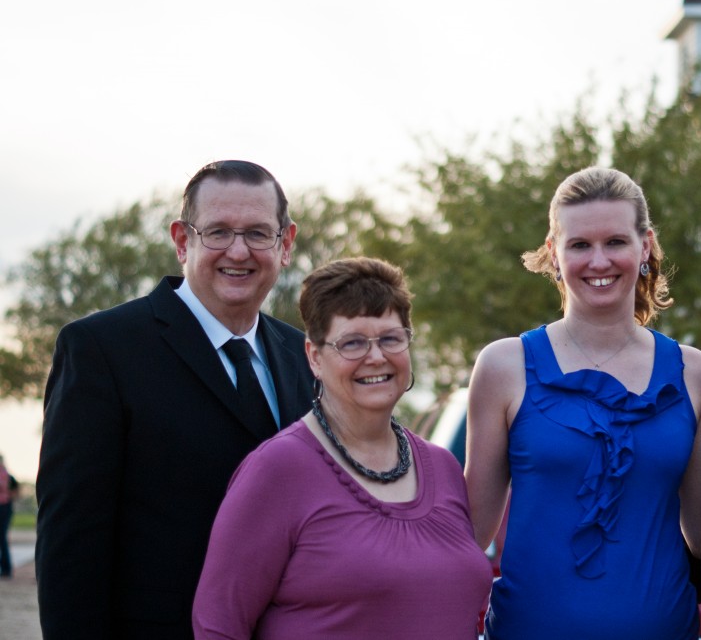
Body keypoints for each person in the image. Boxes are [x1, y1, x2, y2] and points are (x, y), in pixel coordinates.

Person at [36, 160, 315, 639]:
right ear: (183, 240)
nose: (239, 250)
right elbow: (71, 544)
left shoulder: (305, 354)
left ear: (285, 244)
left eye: (257, 233)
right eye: (218, 232)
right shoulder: (102, 349)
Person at [466, 166, 701, 639]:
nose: (598, 261)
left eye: (616, 242)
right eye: (580, 244)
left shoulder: (694, 373)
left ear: (644, 247)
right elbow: (471, 535)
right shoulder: (503, 367)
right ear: (553, 254)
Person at [192, 257, 492, 638]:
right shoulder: (278, 470)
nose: (376, 356)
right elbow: (218, 625)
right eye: (352, 342)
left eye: (391, 338)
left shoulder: (443, 466)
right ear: (315, 358)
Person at [0, 453, 19, 578]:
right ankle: (6, 569)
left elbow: (16, 492)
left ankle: (6, 569)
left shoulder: (8, 477)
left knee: (2, 537)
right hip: (6, 507)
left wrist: (6, 494)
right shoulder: (8, 476)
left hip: (5, 508)